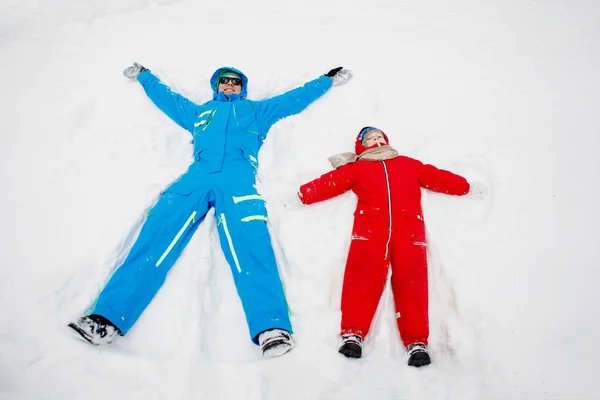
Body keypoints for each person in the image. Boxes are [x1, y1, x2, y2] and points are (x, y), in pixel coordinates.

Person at [67, 63, 353, 358]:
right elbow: (167, 99)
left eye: (235, 83)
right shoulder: (200, 113)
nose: (229, 86)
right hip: (195, 180)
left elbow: (296, 97)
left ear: (243, 88)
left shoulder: (258, 111)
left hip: (238, 183)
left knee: (252, 247)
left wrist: (326, 81)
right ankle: (107, 319)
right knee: (155, 238)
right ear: (216, 87)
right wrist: (144, 75)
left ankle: (271, 326)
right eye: (224, 82)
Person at [290, 126, 483, 366]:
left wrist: (464, 187)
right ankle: (352, 334)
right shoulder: (358, 168)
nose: (376, 140)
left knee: (412, 282)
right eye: (370, 138)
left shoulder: (407, 164)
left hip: (409, 232)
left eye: (380, 136)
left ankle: (416, 343)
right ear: (361, 146)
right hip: (370, 233)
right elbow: (332, 181)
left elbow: (436, 176)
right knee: (361, 278)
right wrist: (303, 195)